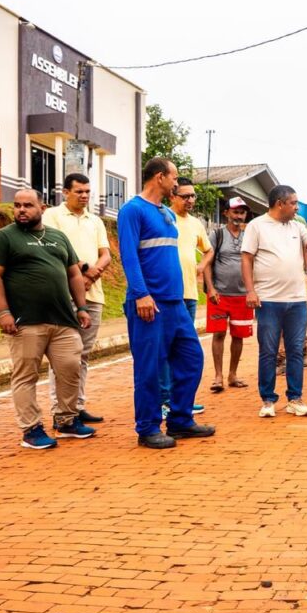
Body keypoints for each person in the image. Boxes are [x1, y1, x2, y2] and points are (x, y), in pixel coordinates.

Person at [0, 188, 95, 449]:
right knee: (25, 375)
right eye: (17, 206)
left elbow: (74, 275)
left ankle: (67, 420)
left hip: (63, 320)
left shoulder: (58, 237)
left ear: (42, 209)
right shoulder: (4, 238)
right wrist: (3, 313)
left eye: (28, 205)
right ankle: (31, 429)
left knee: (71, 367)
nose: (21, 210)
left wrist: (81, 307)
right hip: (25, 321)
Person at [117, 157, 214, 449]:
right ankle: (147, 428)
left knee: (191, 358)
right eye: (174, 177)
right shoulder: (132, 210)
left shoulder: (167, 215)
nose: (177, 182)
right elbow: (129, 256)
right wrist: (141, 294)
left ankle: (180, 420)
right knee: (149, 367)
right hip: (149, 303)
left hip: (176, 303)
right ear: (159, 177)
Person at [242, 185, 307, 418]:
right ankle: (268, 400)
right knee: (268, 351)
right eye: (294, 203)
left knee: (296, 350)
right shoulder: (256, 226)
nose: (297, 207)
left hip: (297, 300)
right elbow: (246, 259)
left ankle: (295, 399)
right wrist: (250, 291)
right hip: (268, 300)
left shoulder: (297, 226)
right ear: (280, 203)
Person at [42, 173, 111, 424]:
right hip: (63, 295)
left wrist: (92, 275)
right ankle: (60, 411)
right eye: (79, 191)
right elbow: (54, 249)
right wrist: (82, 268)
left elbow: (106, 255)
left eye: (87, 192)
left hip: (93, 294)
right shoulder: (52, 216)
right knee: (63, 356)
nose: (84, 196)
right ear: (65, 192)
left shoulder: (95, 220)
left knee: (83, 354)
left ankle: (77, 406)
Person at [160, 176, 211, 414]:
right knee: (165, 348)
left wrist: (202, 265)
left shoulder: (196, 223)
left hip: (189, 295)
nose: (190, 200)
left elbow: (209, 250)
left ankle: (181, 400)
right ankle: (164, 399)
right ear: (173, 196)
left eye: (193, 196)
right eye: (185, 196)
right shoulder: (163, 217)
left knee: (184, 350)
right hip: (168, 295)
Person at [203, 196, 252, 392]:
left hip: (242, 295)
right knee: (219, 333)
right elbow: (207, 262)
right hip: (219, 294)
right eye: (235, 211)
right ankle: (218, 376)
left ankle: (233, 374)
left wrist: (252, 290)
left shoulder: (249, 235)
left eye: (242, 212)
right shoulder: (217, 235)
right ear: (226, 213)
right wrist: (211, 288)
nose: (239, 215)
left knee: (238, 336)